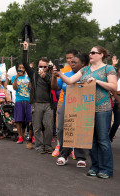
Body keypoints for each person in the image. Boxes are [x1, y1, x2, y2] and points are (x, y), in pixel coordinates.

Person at [55, 46, 117, 179]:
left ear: (101, 55)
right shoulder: (85, 69)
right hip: (87, 109)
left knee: (103, 139)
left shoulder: (108, 69)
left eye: (93, 52)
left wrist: (97, 81)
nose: (90, 54)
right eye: (90, 52)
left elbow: (113, 86)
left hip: (103, 108)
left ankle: (106, 169)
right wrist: (59, 74)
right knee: (92, 140)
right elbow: (71, 81)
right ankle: (95, 167)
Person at [52, 53, 89, 167]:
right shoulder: (66, 74)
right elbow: (55, 87)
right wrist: (54, 76)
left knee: (79, 130)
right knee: (63, 129)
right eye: (71, 62)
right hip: (66, 104)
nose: (72, 64)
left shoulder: (87, 75)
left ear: (83, 64)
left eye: (75, 62)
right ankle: (64, 155)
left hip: (82, 106)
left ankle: (81, 157)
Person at [22, 41, 54, 154]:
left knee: (49, 126)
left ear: (47, 67)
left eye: (45, 66)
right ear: (37, 66)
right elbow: (24, 63)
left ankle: (48, 146)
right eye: (41, 66)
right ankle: (39, 146)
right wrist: (25, 49)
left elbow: (53, 85)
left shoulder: (50, 75)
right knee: (37, 127)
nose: (43, 68)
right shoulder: (33, 74)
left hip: (49, 104)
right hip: (36, 103)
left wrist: (45, 77)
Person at [52, 49, 78, 157]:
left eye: (71, 58)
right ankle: (59, 145)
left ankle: (73, 148)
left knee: (73, 126)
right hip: (63, 101)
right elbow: (55, 87)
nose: (69, 60)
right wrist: (54, 75)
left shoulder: (80, 70)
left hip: (76, 103)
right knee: (60, 127)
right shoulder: (63, 70)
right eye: (67, 58)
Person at [11, 63, 33, 148]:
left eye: (23, 68)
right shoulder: (15, 77)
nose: (21, 69)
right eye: (20, 68)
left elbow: (30, 88)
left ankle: (31, 136)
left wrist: (30, 79)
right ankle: (20, 136)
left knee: (30, 119)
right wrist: (16, 77)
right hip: (19, 100)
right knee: (18, 119)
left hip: (28, 99)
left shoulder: (27, 77)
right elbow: (15, 88)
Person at [110, 65, 120, 142]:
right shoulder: (115, 79)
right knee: (116, 122)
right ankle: (109, 137)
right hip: (116, 102)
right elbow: (115, 91)